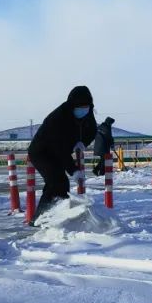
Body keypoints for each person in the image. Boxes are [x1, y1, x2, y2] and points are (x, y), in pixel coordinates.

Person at [28, 86, 99, 221]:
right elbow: (60, 148)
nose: (83, 109)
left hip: (60, 151)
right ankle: (41, 218)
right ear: (72, 105)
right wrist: (73, 170)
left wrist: (82, 142)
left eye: (86, 106)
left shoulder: (88, 112)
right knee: (57, 181)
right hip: (42, 152)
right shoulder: (58, 117)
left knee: (58, 184)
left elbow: (92, 130)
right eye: (80, 106)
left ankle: (55, 216)